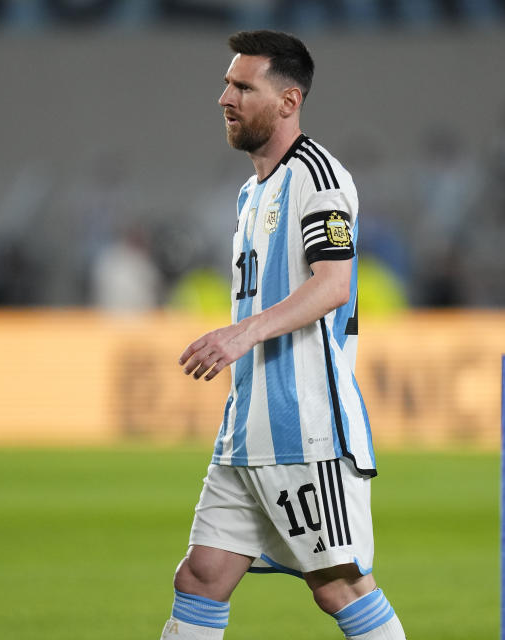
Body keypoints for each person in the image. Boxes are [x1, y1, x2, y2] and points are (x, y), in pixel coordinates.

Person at [159, 31, 407, 640]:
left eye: (244, 86)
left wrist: (243, 335)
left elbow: (333, 285)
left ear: (289, 100)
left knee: (340, 587)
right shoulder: (251, 192)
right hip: (247, 429)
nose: (226, 97)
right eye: (227, 83)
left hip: (304, 428)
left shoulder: (316, 177)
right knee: (201, 576)